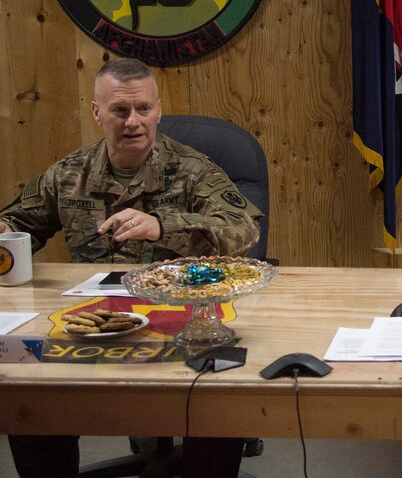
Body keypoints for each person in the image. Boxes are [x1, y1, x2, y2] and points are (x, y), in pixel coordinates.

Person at [0, 57, 262, 478]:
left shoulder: (192, 170)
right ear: (97, 112)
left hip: (182, 321)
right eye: (120, 110)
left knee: (218, 394)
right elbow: (18, 227)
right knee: (27, 390)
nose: (133, 122)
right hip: (92, 322)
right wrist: (5, 231)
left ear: (158, 110)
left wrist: (162, 226)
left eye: (143, 109)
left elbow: (243, 228)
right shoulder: (68, 174)